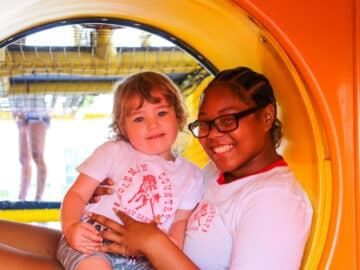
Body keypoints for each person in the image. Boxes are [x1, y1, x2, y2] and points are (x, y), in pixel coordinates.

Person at [0, 66, 313, 270]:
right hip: (116, 244)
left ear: (267, 116)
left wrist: (152, 242)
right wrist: (105, 190)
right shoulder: (212, 172)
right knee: (56, 241)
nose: (214, 135)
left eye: (228, 120)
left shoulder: (275, 200)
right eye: (205, 125)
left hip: (137, 259)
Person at [56, 71, 203, 270]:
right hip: (96, 240)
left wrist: (173, 245)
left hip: (144, 256)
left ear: (178, 116)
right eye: (139, 119)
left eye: (161, 113)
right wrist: (71, 227)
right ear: (122, 127)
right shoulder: (113, 152)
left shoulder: (192, 174)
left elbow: (180, 219)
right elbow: (77, 194)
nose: (153, 125)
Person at [13, 110, 50, 201]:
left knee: (37, 155)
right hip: (21, 107)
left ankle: (38, 198)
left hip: (36, 111)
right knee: (24, 158)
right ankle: (22, 198)